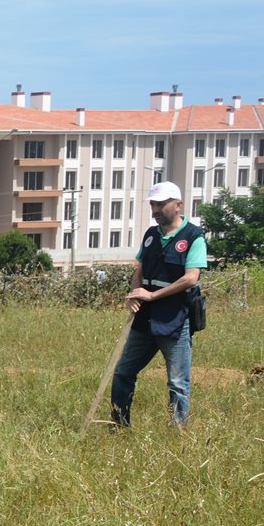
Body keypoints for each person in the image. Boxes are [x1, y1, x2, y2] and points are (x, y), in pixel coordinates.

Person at [111, 181, 206, 427]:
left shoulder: (194, 236)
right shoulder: (151, 235)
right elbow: (139, 269)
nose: (155, 209)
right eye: (153, 204)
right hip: (144, 318)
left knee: (177, 383)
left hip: (174, 319)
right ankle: (119, 427)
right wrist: (135, 293)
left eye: (161, 204)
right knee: (123, 372)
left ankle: (178, 435)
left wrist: (152, 296)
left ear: (178, 205)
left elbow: (190, 278)